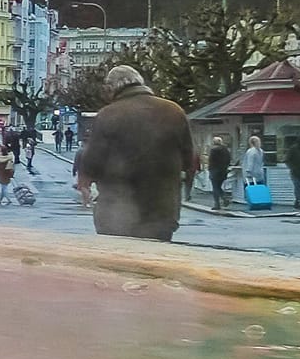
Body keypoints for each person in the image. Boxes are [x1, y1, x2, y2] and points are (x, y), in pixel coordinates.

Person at [74, 66, 196, 241]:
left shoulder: (109, 115)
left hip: (117, 211)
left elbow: (93, 164)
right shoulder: (173, 111)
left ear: (111, 88)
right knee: (154, 263)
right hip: (161, 210)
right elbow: (188, 160)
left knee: (118, 263)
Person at [207, 136, 233, 211]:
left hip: (214, 170)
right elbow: (228, 160)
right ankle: (224, 199)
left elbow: (211, 161)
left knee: (215, 187)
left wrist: (210, 169)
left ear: (214, 142)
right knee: (218, 186)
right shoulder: (226, 150)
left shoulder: (213, 150)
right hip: (223, 171)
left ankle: (218, 203)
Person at [241, 135, 267, 208]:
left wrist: (248, 171)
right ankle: (261, 202)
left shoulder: (251, 151)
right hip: (259, 172)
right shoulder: (260, 150)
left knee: (250, 190)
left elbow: (250, 162)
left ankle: (253, 203)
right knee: (259, 189)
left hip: (251, 174)